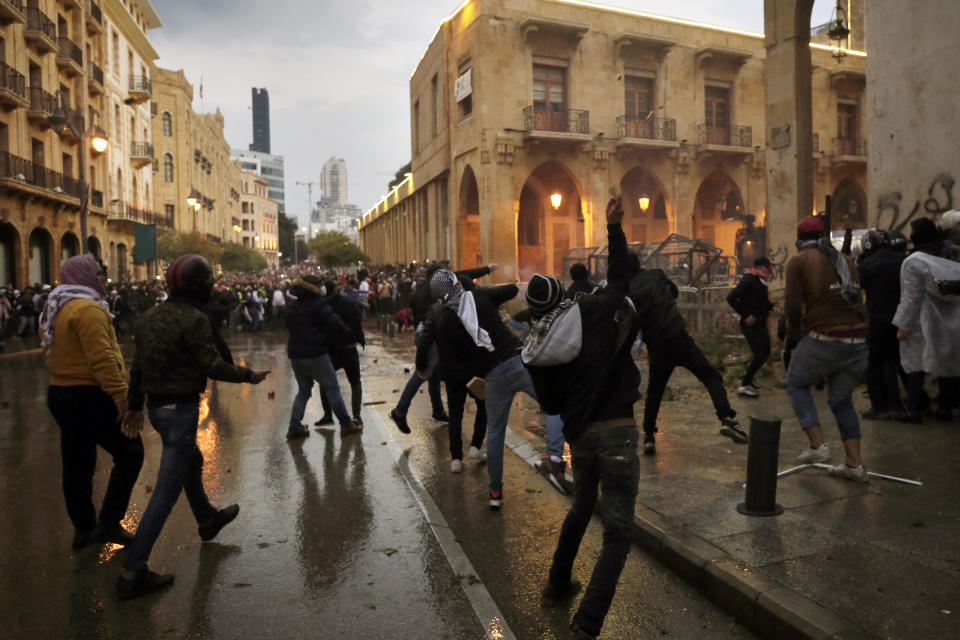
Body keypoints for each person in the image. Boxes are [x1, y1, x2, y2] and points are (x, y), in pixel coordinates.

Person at [118, 255, 270, 598]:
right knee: (165, 492)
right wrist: (249, 376)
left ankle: (206, 519)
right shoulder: (194, 319)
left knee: (192, 462)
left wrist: (134, 405)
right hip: (180, 409)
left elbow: (138, 368)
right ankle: (133, 570)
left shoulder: (149, 317)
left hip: (158, 410)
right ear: (201, 286)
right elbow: (212, 365)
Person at [525, 196, 640, 640]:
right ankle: (587, 626)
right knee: (617, 535)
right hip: (617, 434)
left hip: (582, 440)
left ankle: (557, 584)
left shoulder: (535, 350)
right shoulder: (590, 313)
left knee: (581, 507)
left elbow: (551, 408)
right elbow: (621, 282)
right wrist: (613, 225)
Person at [42, 254, 144, 550]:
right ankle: (109, 524)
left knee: (77, 461)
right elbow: (102, 358)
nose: (102, 279)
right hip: (87, 394)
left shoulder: (59, 304)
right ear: (84, 276)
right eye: (98, 274)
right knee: (130, 453)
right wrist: (121, 397)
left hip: (60, 392)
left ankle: (84, 528)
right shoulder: (88, 310)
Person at [418, 268, 533, 509]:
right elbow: (512, 289)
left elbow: (446, 349)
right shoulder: (479, 297)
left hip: (484, 373)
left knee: (491, 429)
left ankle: (493, 490)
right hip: (513, 360)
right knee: (555, 402)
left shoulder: (445, 316)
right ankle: (557, 458)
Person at [629, 255, 747, 455]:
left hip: (657, 344)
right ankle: (726, 417)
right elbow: (674, 292)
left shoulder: (626, 290)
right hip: (678, 337)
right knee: (710, 375)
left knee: (655, 392)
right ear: (639, 264)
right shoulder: (656, 275)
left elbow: (631, 321)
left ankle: (649, 437)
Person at [784, 216, 870, 481]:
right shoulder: (847, 260)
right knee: (841, 400)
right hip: (859, 342)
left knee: (796, 383)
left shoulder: (799, 260)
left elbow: (793, 306)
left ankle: (817, 446)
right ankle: (854, 465)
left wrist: (793, 337)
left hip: (826, 337)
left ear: (800, 239)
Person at [389, 263, 497, 434]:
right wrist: (488, 269)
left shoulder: (422, 289)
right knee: (422, 372)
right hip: (431, 334)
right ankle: (400, 410)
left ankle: (438, 411)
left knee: (435, 374)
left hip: (423, 331)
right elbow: (466, 272)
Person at [893, 218, 960, 423]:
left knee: (915, 365)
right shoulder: (948, 259)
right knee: (948, 365)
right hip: (950, 322)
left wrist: (903, 325)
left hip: (920, 322)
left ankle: (914, 410)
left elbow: (911, 297)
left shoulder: (914, 262)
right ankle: (945, 409)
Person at [284, 275, 360, 439]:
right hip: (316, 353)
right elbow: (336, 325)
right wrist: (348, 335)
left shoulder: (291, 307)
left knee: (303, 391)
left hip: (296, 355)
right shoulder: (318, 305)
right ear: (314, 287)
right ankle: (346, 424)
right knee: (332, 389)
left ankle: (294, 426)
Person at [857, 229, 906, 419]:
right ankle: (902, 404)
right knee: (897, 361)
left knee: (875, 363)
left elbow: (856, 286)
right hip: (902, 319)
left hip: (878, 320)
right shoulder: (903, 259)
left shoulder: (868, 264)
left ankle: (880, 407)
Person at [315, 280, 366, 426]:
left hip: (331, 350)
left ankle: (328, 415)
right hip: (349, 348)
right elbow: (358, 321)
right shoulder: (349, 303)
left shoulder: (323, 306)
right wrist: (360, 339)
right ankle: (357, 415)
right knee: (355, 381)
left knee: (325, 382)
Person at [726, 257, 775, 397]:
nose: (768, 269)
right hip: (750, 325)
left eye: (769, 267)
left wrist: (772, 307)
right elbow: (731, 298)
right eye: (766, 267)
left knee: (764, 352)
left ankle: (749, 377)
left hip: (761, 322)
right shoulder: (748, 280)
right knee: (760, 354)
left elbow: (761, 301)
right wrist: (746, 315)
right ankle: (744, 386)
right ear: (758, 267)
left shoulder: (761, 281)